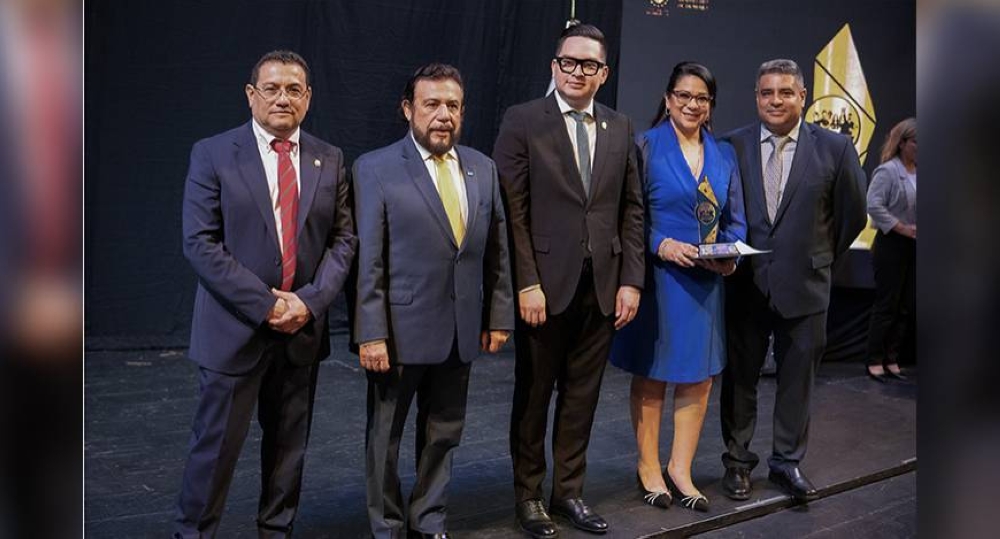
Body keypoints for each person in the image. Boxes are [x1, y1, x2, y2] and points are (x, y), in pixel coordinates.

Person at [175, 50, 357, 538]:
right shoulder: (212, 153)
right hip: (235, 330)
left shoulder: (330, 157)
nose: (283, 98)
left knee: (287, 451)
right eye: (272, 88)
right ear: (251, 95)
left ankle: (275, 532)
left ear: (308, 98)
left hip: (301, 331)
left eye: (293, 89)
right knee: (214, 451)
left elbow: (344, 240)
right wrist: (267, 304)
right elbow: (199, 242)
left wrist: (310, 302)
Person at [493, 23, 644, 538]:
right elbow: (510, 211)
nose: (578, 72)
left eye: (590, 65)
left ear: (604, 74)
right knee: (534, 397)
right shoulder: (523, 120)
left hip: (603, 286)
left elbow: (632, 210)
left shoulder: (620, 127)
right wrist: (525, 282)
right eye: (570, 62)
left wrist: (631, 281)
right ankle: (529, 495)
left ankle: (569, 493)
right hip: (543, 288)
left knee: (582, 397)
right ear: (554, 65)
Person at [353, 63, 514, 539]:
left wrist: (498, 314)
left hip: (460, 329)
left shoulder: (482, 168)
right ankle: (386, 525)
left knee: (444, 433)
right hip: (397, 335)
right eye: (432, 104)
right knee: (385, 437)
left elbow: (497, 250)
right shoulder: (375, 168)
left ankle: (429, 519)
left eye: (453, 106)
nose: (443, 115)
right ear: (408, 109)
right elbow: (369, 261)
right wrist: (371, 331)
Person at [719, 59, 867, 502]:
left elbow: (852, 215)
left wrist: (818, 258)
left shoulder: (836, 149)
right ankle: (738, 463)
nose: (776, 100)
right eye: (767, 93)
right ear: (757, 97)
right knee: (740, 380)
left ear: (803, 96)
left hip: (806, 286)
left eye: (786, 92)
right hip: (745, 286)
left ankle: (786, 462)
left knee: (797, 381)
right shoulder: (732, 145)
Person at [610, 62, 746, 513]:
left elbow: (735, 221)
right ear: (668, 99)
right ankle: (648, 466)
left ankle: (680, 468)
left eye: (701, 98)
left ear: (710, 106)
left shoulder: (724, 154)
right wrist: (661, 244)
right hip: (657, 280)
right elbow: (628, 216)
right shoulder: (645, 147)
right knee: (652, 375)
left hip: (706, 285)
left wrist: (729, 256)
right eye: (683, 96)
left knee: (698, 378)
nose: (692, 104)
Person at [865, 118, 916, 382]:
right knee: (887, 304)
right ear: (903, 143)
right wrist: (901, 228)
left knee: (906, 305)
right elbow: (873, 205)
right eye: (917, 142)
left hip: (915, 245)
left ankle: (892, 358)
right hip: (891, 243)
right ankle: (874, 359)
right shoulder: (888, 171)